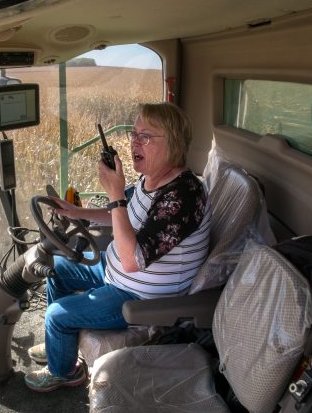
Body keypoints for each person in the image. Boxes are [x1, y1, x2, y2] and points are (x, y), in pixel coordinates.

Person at [24, 102, 211, 392]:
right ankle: (59, 346)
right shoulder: (151, 179)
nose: (135, 142)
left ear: (172, 143)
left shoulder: (184, 196)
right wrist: (76, 212)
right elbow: (120, 215)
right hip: (117, 271)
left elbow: (132, 260)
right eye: (134, 134)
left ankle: (64, 371)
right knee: (56, 269)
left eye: (145, 136)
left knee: (56, 315)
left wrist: (114, 193)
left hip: (141, 295)